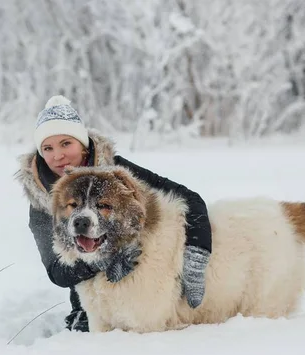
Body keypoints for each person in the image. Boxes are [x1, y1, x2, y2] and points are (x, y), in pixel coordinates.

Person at [15, 95, 212, 332]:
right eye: (48, 148)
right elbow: (57, 273)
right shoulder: (41, 201)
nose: (57, 156)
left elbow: (190, 199)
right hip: (89, 301)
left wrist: (196, 259)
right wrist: (102, 259)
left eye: (66, 143)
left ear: (83, 143)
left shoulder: (117, 173)